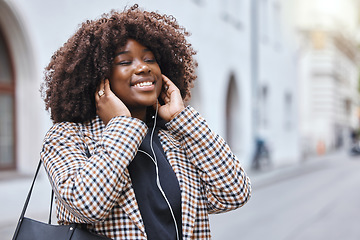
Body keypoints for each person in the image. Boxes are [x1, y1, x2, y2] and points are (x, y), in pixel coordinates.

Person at [40, 4, 251, 240]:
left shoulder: (175, 138)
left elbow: (234, 193)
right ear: (100, 78)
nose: (143, 67)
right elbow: (87, 205)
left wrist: (182, 119)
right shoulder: (67, 137)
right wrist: (121, 126)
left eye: (150, 59)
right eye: (124, 62)